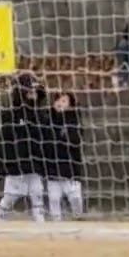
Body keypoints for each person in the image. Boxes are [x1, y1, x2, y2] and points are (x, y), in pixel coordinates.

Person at [0, 72, 48, 222]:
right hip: (16, 164)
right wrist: (2, 166)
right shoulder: (10, 115)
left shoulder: (40, 115)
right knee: (11, 195)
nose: (34, 94)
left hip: (34, 163)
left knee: (37, 192)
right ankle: (0, 215)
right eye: (30, 91)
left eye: (35, 92)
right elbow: (4, 141)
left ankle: (40, 220)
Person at [44, 91, 84, 221]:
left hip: (70, 167)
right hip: (52, 166)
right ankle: (57, 224)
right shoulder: (47, 119)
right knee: (54, 199)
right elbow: (46, 141)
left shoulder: (74, 120)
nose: (60, 103)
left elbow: (74, 140)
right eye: (58, 100)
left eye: (64, 101)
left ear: (70, 104)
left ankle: (78, 217)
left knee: (75, 196)